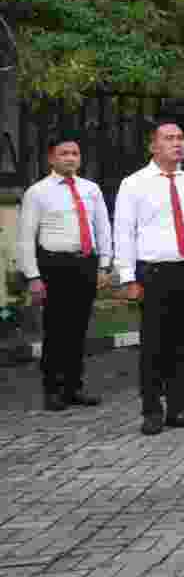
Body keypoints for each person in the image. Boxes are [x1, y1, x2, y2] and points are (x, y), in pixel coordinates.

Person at [115, 119, 184, 436]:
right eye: (169, 138)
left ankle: (178, 407)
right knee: (153, 344)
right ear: (153, 146)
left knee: (183, 343)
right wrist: (128, 277)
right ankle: (151, 410)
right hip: (154, 272)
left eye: (180, 138)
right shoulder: (134, 184)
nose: (177, 143)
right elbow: (124, 233)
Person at [17, 132, 113, 411]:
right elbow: (25, 237)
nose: (71, 158)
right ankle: (52, 389)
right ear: (52, 158)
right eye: (64, 154)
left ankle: (74, 387)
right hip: (54, 265)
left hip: (84, 263)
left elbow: (102, 227)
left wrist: (104, 263)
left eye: (75, 154)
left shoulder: (90, 189)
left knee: (78, 329)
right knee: (56, 329)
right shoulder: (38, 192)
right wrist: (33, 276)